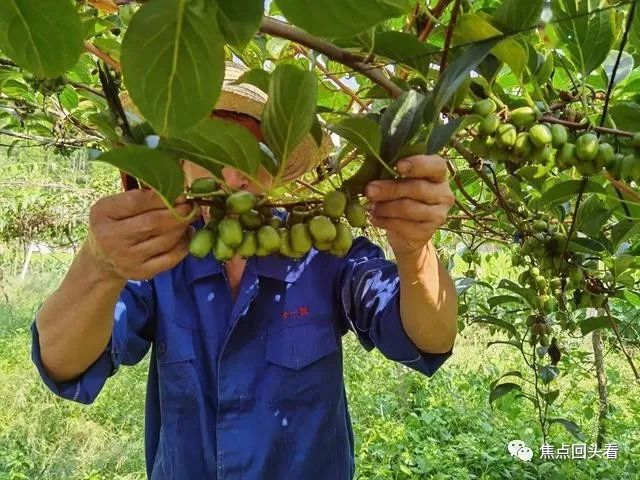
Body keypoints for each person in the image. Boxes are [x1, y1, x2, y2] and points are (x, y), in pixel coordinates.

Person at [32, 63, 458, 479]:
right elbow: (63, 364)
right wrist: (99, 267)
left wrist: (414, 251)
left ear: (274, 169)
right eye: (215, 148)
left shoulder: (321, 251)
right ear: (180, 162)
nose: (234, 173)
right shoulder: (158, 260)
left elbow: (429, 339)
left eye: (254, 151)